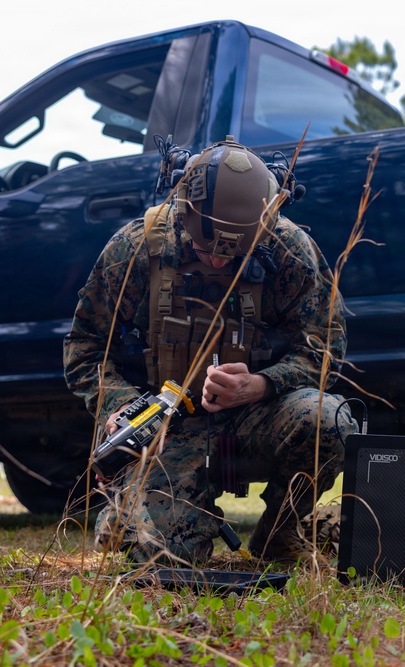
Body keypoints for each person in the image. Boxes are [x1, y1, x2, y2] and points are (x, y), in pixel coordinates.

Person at [64, 137, 355, 565]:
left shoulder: (288, 248)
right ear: (184, 216)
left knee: (328, 421)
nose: (218, 264)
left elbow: (325, 346)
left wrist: (261, 385)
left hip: (253, 421)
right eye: (205, 250)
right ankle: (128, 514)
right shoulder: (139, 247)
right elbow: (84, 348)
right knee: (167, 558)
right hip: (166, 431)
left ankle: (280, 535)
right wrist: (127, 409)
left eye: (235, 253)